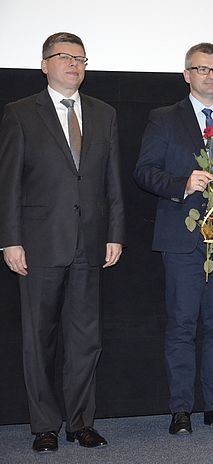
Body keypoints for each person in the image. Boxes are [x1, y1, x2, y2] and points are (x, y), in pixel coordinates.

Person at [0, 32, 125, 452]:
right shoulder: (20, 113)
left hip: (90, 242)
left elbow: (112, 181)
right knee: (39, 339)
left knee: (86, 338)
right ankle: (44, 427)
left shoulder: (104, 113)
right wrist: (10, 240)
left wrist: (115, 233)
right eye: (64, 57)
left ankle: (80, 423)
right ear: (44, 65)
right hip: (39, 243)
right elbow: (9, 182)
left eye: (80, 58)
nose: (74, 64)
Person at [133, 43, 213, 434]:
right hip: (183, 235)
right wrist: (183, 183)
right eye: (203, 69)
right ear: (186, 75)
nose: (211, 76)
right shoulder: (164, 118)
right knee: (182, 324)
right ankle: (180, 410)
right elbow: (144, 171)